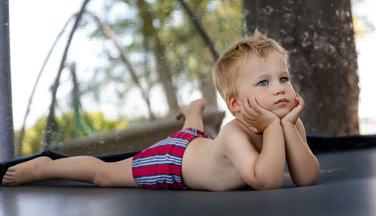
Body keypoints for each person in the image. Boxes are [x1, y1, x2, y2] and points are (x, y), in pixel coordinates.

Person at [2, 30, 319, 190]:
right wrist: (275, 127)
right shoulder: (234, 132)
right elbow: (266, 182)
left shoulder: (289, 124)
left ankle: (193, 112)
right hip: (173, 160)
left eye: (283, 79)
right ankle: (45, 166)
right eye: (263, 83)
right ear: (235, 105)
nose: (279, 88)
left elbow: (306, 177)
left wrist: (288, 126)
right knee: (105, 176)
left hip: (198, 148)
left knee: (192, 135)